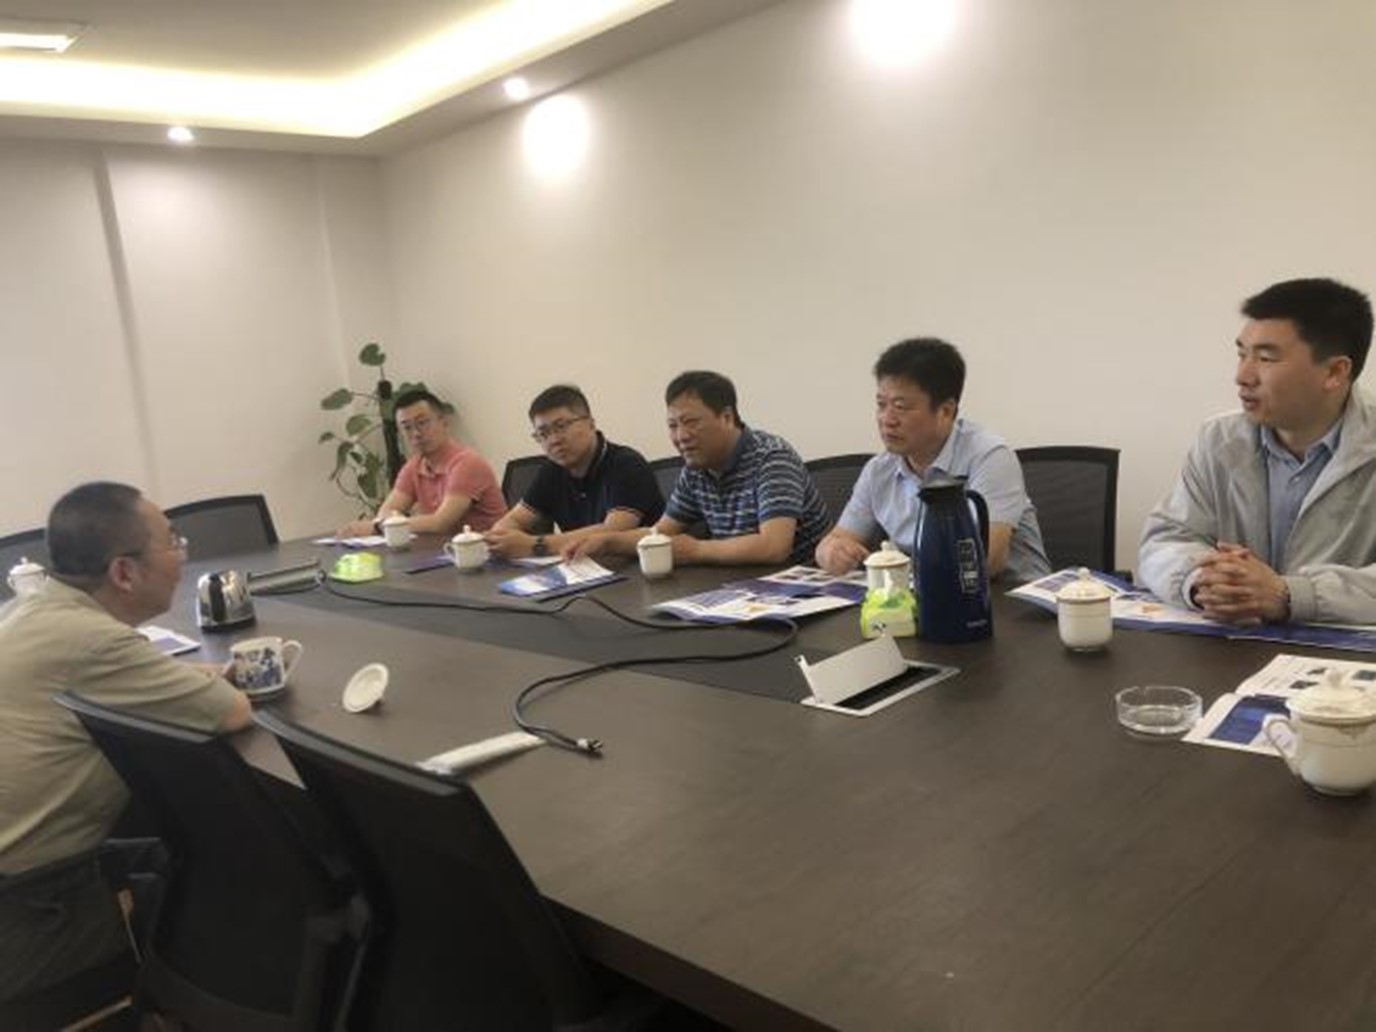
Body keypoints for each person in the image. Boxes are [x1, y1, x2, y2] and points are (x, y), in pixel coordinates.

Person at [0, 482, 252, 1003]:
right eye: (172, 541)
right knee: (228, 867)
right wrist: (217, 682)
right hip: (34, 909)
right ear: (123, 572)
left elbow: (110, 675)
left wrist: (191, 678)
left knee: (177, 850)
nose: (182, 554)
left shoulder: (34, 610)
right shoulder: (95, 642)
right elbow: (233, 711)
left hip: (23, 875)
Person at [1139, 277, 1376, 625]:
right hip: (1232, 647)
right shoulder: (1219, 440)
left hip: (1338, 655)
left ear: (1334, 372)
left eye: (1265, 358)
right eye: (1241, 354)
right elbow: (1166, 539)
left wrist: (1289, 594)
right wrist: (1202, 581)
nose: (1243, 376)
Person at [815, 338, 1050, 583]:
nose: (887, 419)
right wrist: (830, 552)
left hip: (1008, 597)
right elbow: (838, 539)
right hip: (928, 593)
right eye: (881, 405)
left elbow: (988, 560)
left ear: (946, 411)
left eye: (901, 406)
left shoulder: (989, 456)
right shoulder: (879, 470)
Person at [572, 371, 829, 566]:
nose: (681, 436)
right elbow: (658, 533)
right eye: (673, 426)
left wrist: (696, 550)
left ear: (727, 417)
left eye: (691, 422)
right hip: (741, 589)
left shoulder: (771, 458)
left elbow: (773, 547)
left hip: (806, 589)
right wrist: (608, 542)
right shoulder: (695, 469)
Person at [484, 385, 664, 559]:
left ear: (590, 423)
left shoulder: (627, 464)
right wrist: (500, 538)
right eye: (543, 434)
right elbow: (514, 520)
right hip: (581, 569)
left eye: (561, 426)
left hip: (636, 569)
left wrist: (534, 545)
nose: (554, 440)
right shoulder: (552, 470)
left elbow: (612, 532)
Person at [337, 388, 506, 538]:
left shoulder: (467, 463)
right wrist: (386, 523)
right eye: (407, 427)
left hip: (486, 554)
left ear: (443, 422)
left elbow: (440, 523)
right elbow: (386, 511)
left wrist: (379, 527)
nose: (416, 433)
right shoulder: (414, 466)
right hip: (441, 553)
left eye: (422, 423)